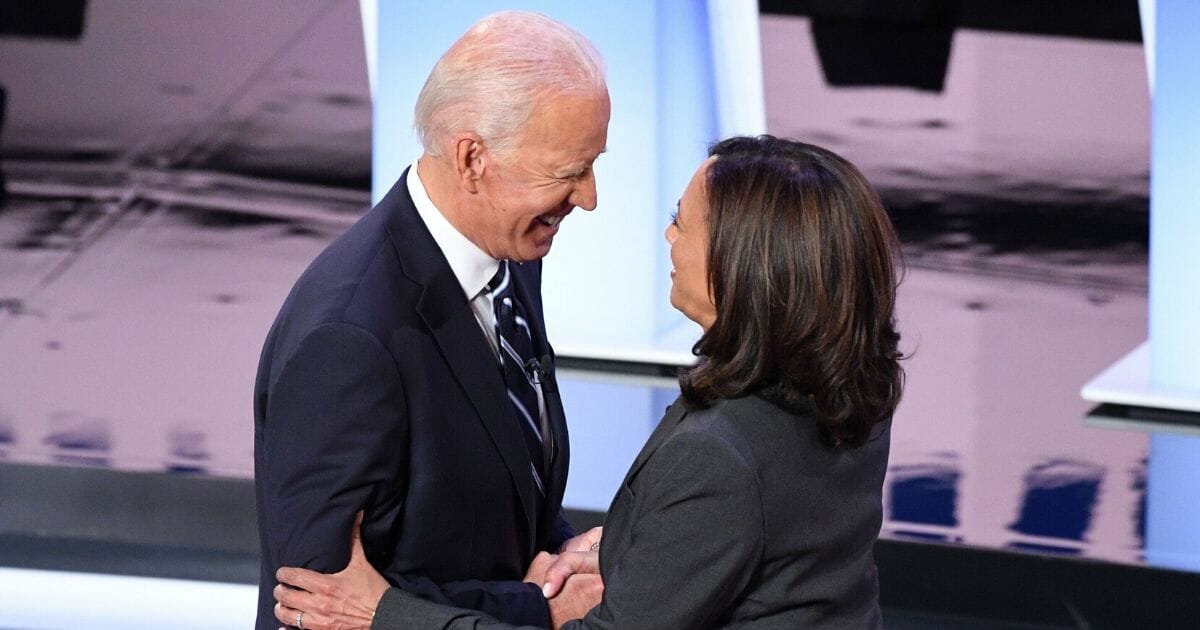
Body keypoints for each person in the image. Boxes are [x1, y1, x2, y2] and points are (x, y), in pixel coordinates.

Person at [272, 135, 906, 629]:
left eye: (682, 223)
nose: (667, 237)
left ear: (745, 267)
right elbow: (757, 542)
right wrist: (632, 546)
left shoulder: (719, 459)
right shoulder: (847, 381)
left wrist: (383, 614)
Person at [253, 11, 610, 630]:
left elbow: (510, 473)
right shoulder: (349, 337)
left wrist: (559, 564)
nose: (589, 196)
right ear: (472, 157)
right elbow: (318, 603)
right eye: (567, 172)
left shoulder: (510, 259)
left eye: (591, 164)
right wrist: (538, 609)